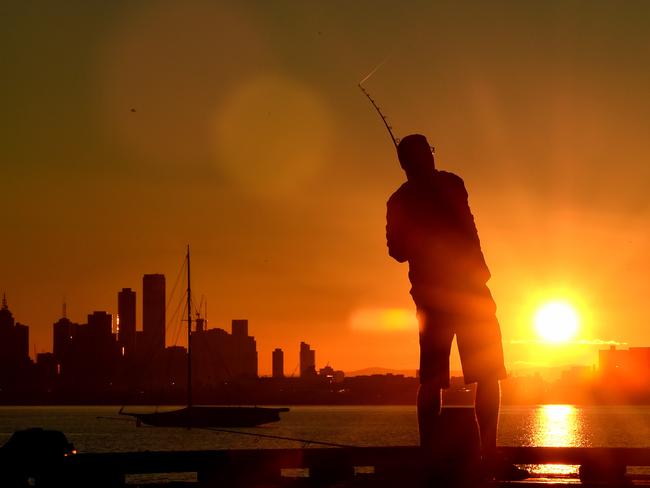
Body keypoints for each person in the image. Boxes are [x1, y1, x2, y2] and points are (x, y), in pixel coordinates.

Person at [386, 134, 524, 478]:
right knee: (477, 375)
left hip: (447, 294)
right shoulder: (446, 185)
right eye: (426, 154)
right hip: (461, 293)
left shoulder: (405, 198)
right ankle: (484, 452)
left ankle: (434, 453)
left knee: (442, 378)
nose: (430, 158)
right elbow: (463, 228)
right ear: (415, 160)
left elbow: (397, 250)